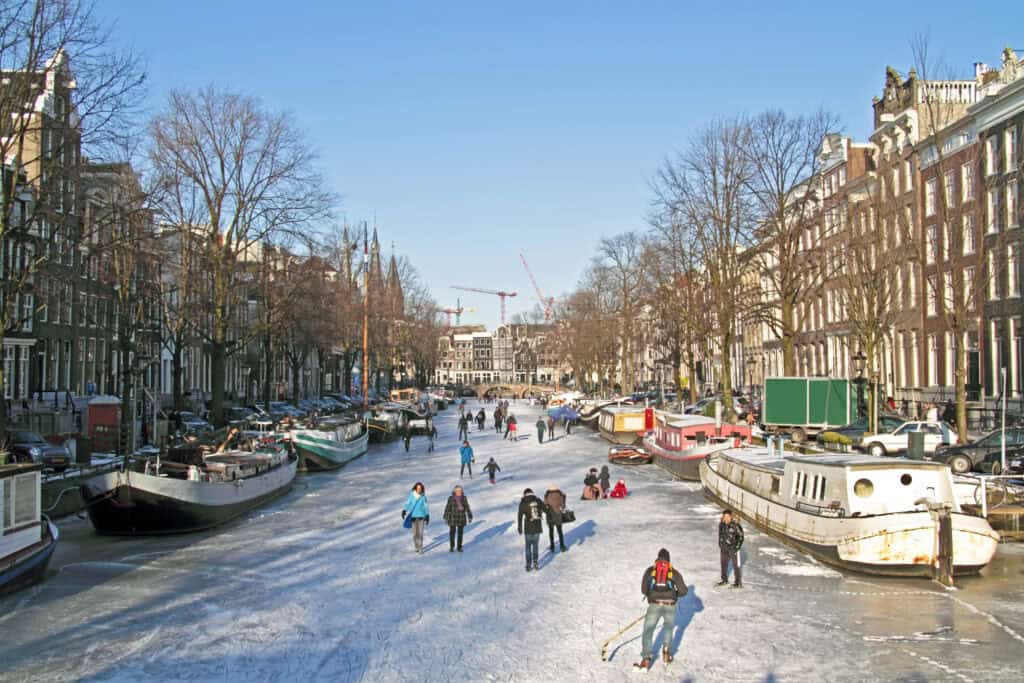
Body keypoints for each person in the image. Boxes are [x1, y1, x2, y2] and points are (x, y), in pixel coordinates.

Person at [635, 548, 687, 671]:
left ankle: (646, 659)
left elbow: (644, 589)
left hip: (654, 604)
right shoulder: (673, 572)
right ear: (668, 559)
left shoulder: (650, 571)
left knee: (648, 630)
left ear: (657, 558)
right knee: (668, 628)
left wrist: (651, 595)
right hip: (670, 605)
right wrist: (674, 595)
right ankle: (666, 654)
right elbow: (684, 591)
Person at [518, 488, 547, 572]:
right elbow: (545, 510)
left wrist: (519, 527)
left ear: (525, 494)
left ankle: (528, 564)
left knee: (527, 546)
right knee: (535, 545)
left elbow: (520, 515)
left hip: (528, 527)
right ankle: (535, 562)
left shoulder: (523, 502)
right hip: (537, 527)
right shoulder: (537, 500)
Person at [401, 482, 430, 554]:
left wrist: (427, 515)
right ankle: (416, 546)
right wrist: (404, 510)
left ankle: (420, 548)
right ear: (415, 488)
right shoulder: (411, 495)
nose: (419, 489)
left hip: (421, 517)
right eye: (418, 488)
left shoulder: (423, 497)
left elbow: (426, 506)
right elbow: (408, 503)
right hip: (413, 517)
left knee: (420, 533)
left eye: (420, 488)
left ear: (422, 489)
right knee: (415, 534)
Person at [718, 510, 744, 588]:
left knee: (736, 565)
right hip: (724, 547)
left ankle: (738, 582)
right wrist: (720, 544)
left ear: (730, 516)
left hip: (733, 548)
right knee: (723, 564)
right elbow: (720, 535)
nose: (726, 518)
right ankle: (724, 580)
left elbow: (741, 537)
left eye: (728, 516)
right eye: (725, 516)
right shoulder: (721, 524)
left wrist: (737, 547)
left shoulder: (735, 525)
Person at [443, 485, 473, 552]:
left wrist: (470, 516)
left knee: (460, 533)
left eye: (460, 490)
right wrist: (445, 516)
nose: (459, 492)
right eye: (458, 491)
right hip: (452, 518)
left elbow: (467, 507)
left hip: (461, 517)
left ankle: (459, 547)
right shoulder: (451, 498)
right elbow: (447, 507)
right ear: (455, 491)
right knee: (452, 533)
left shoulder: (464, 498)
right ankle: (452, 546)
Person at [543, 485, 568, 553]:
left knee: (551, 532)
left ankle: (552, 546)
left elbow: (545, 505)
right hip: (558, 515)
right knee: (560, 531)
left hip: (550, 515)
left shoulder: (546, 495)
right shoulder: (560, 495)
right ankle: (562, 547)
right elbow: (563, 506)